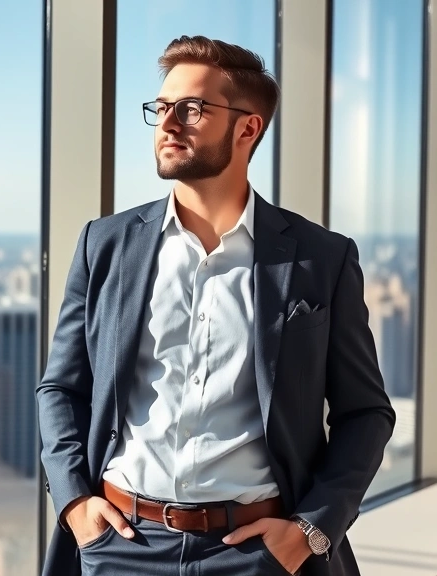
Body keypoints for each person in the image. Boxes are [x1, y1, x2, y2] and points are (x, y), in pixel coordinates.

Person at [37, 35, 395, 576]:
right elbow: (61, 388)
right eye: (161, 107)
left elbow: (365, 413)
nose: (168, 123)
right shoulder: (104, 245)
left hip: (257, 554)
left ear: (247, 127)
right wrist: (73, 502)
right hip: (121, 546)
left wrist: (311, 529)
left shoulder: (322, 259)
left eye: (192, 108)